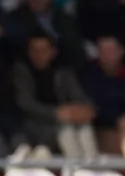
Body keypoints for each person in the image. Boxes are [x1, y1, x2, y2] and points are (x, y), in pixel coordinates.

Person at [10, 32, 95, 160]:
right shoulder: (21, 71)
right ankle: (76, 170)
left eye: (43, 50)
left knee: (84, 126)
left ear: (53, 52)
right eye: (34, 50)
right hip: (33, 125)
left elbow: (81, 98)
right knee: (66, 130)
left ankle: (92, 168)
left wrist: (86, 110)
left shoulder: (63, 72)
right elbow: (25, 103)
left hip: (65, 120)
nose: (39, 54)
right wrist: (56, 113)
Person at [76, 34, 125, 163]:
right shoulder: (87, 77)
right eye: (103, 51)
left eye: (112, 50)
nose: (107, 55)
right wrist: (118, 120)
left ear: (121, 51)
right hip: (101, 132)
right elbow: (91, 110)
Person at [4, 0, 82, 65]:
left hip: (64, 68)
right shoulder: (14, 18)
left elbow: (76, 48)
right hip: (30, 70)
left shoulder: (65, 18)